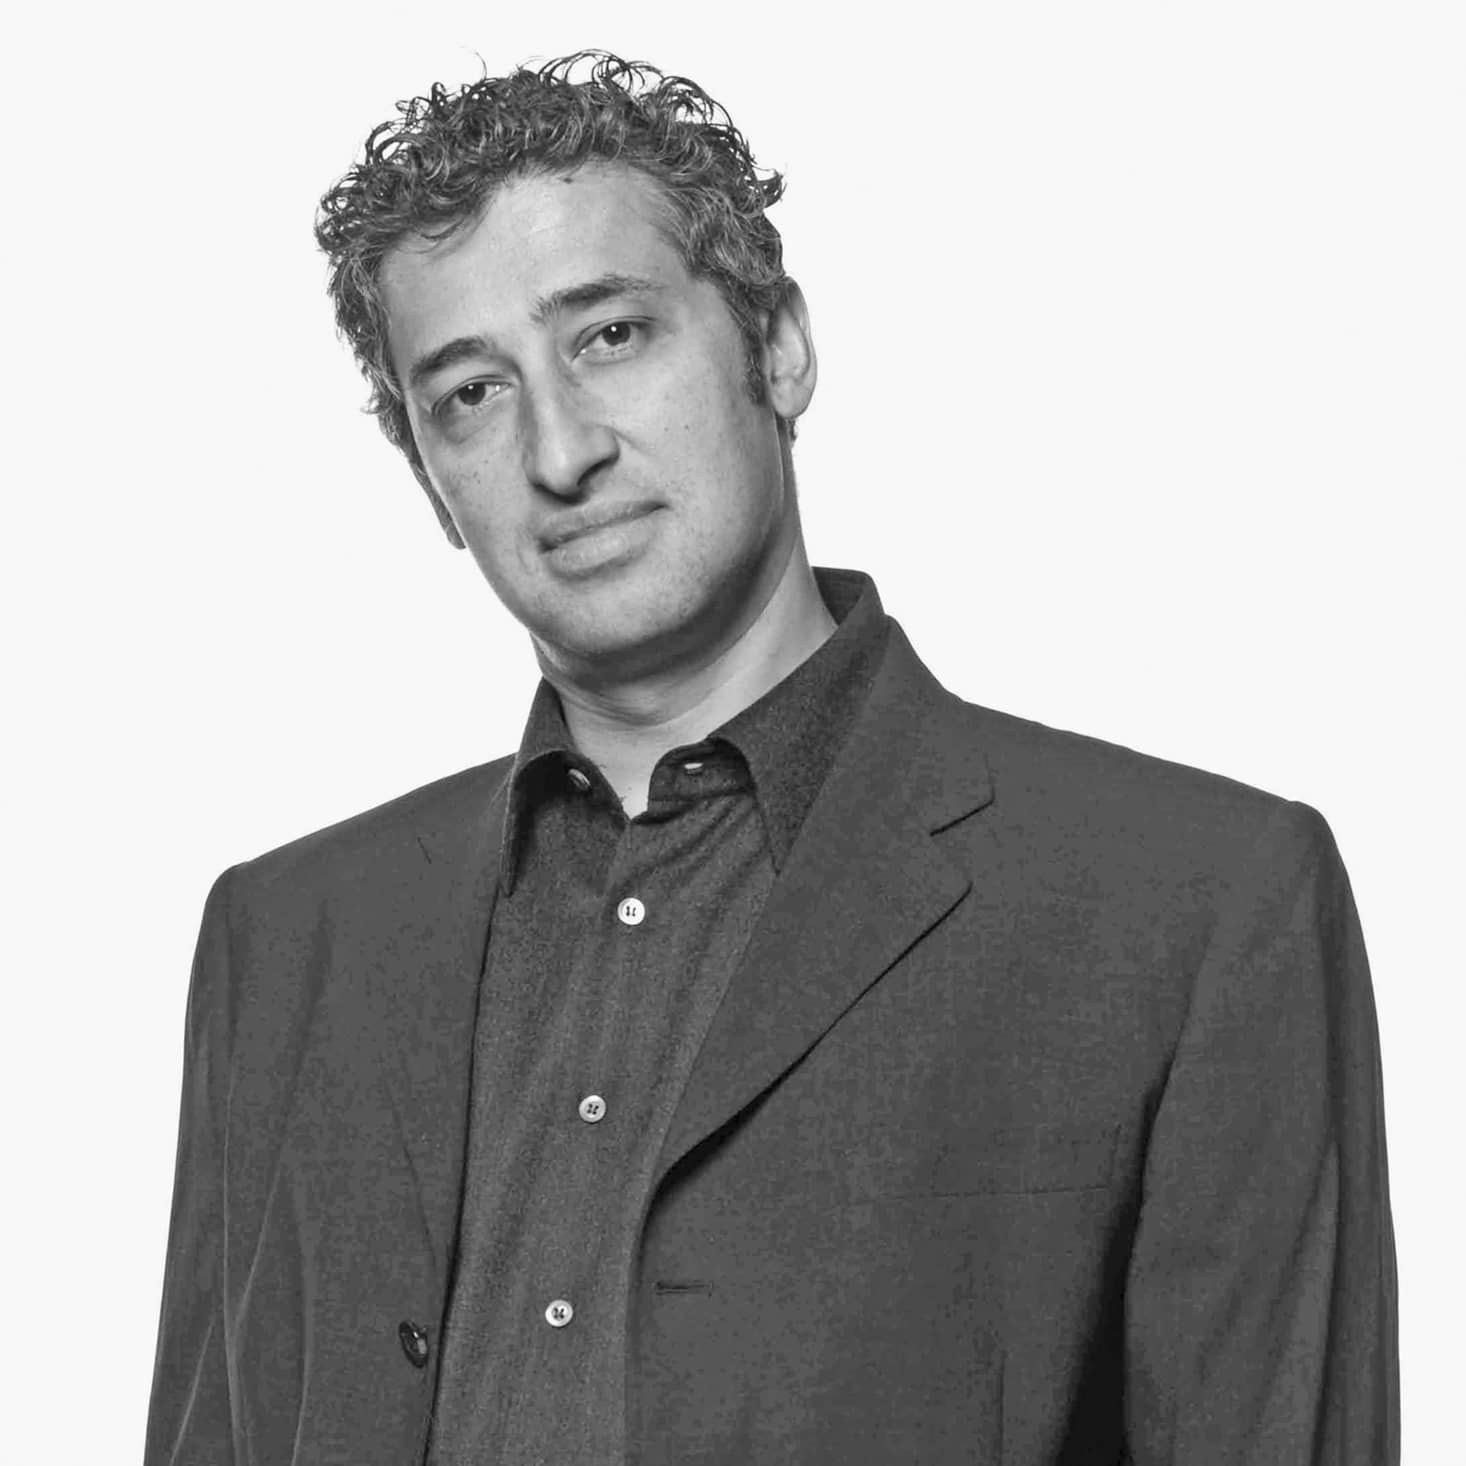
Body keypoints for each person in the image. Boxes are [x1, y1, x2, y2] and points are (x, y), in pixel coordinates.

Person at [144, 51, 1399, 1465]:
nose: (559, 449)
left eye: (610, 334)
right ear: (428, 476)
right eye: (472, 393)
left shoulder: (1191, 906)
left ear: (781, 348)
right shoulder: (287, 940)